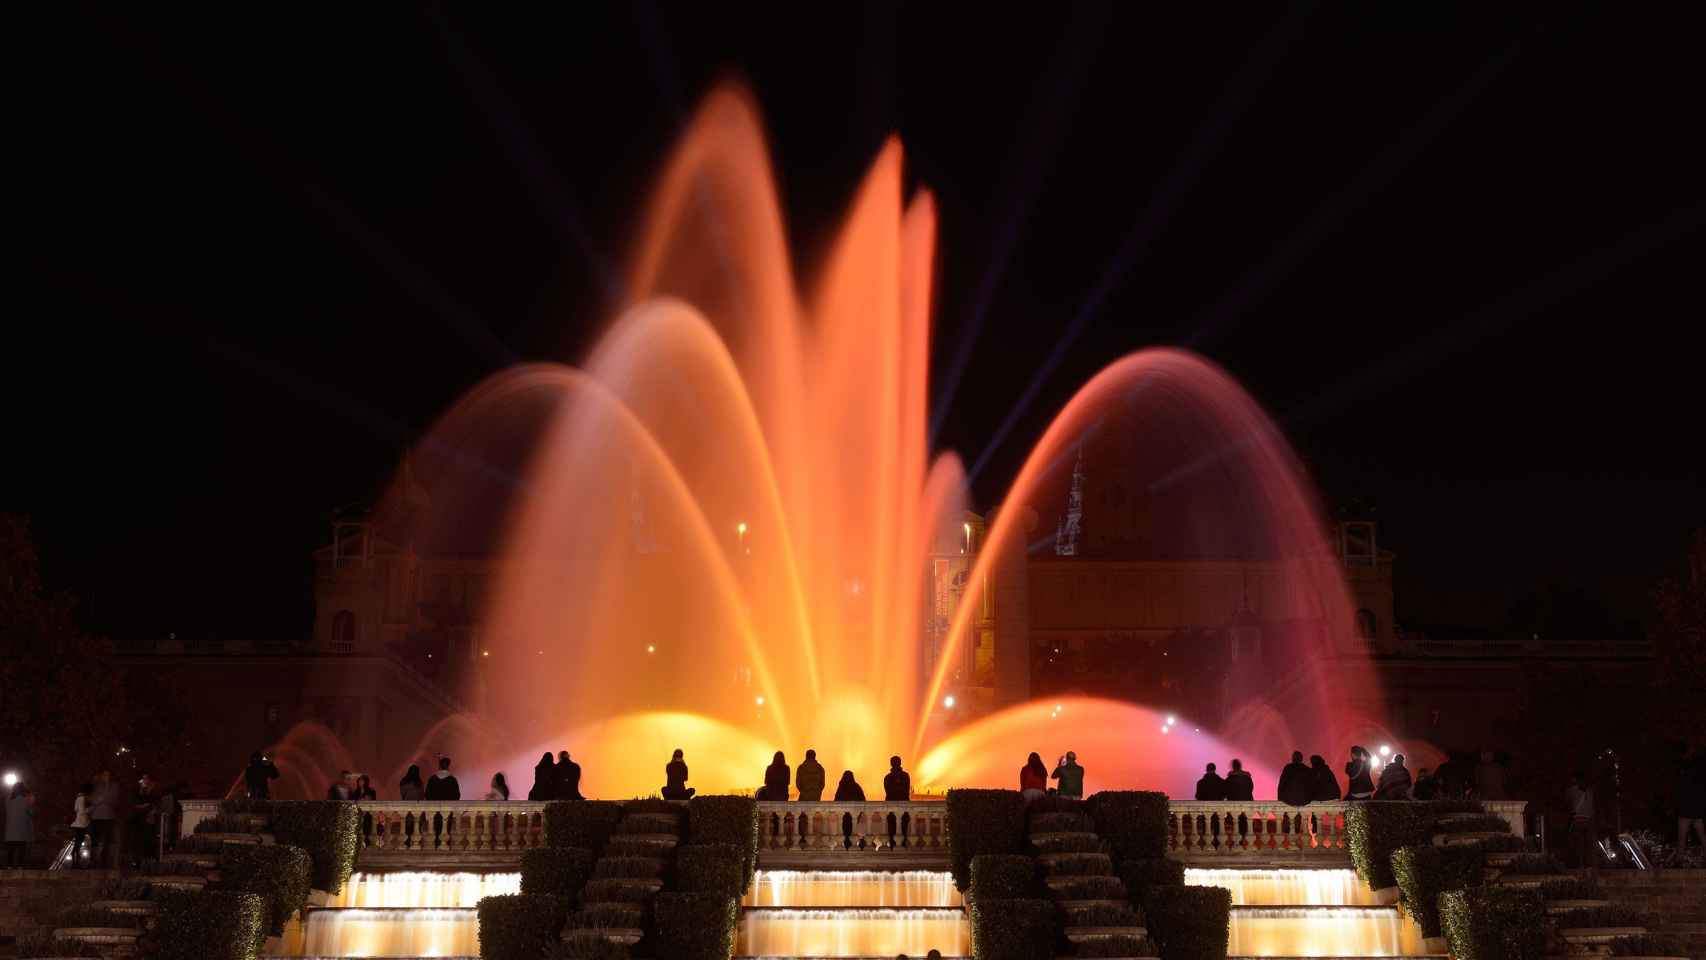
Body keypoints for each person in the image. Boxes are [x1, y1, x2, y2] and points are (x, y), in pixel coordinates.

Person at [1668, 744, 1705, 866]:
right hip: (1695, 809)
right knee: (1700, 834)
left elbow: (1682, 789)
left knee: (1682, 837)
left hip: (1687, 810)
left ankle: (1679, 860)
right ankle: (1680, 860)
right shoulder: (1697, 767)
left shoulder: (1685, 769)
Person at [1565, 769, 1596, 867]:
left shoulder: (1570, 790)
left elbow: (1568, 804)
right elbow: (1592, 807)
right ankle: (1588, 865)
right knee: (1588, 845)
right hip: (1588, 820)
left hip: (1577, 820)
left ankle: (1579, 865)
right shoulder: (1589, 791)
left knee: (1578, 844)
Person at [89, 771, 117, 868]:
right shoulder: (96, 786)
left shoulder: (114, 786)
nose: (106, 777)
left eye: (107, 775)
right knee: (95, 839)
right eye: (104, 775)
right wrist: (99, 800)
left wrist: (101, 799)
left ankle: (105, 861)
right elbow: (92, 799)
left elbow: (113, 799)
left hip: (108, 816)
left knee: (107, 840)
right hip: (96, 816)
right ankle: (94, 861)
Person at [884, 756, 913, 848]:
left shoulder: (888, 777)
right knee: (902, 830)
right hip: (902, 808)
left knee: (893, 831)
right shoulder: (905, 776)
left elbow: (889, 791)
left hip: (892, 809)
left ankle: (894, 847)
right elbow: (904, 790)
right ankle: (901, 847)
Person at [132, 773, 161, 865]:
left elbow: (155, 803)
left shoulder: (154, 790)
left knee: (149, 840)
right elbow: (136, 802)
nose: (143, 781)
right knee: (140, 841)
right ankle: (139, 861)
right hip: (140, 819)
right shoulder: (140, 790)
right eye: (142, 779)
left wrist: (151, 809)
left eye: (145, 779)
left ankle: (150, 860)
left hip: (149, 819)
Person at [5, 783, 35, 867]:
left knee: (11, 849)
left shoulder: (8, 800)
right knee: (21, 849)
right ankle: (19, 866)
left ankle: (9, 866)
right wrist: (31, 800)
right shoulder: (26, 800)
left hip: (10, 829)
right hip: (22, 829)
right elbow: (31, 813)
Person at [834, 770, 865, 850]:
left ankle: (849, 846)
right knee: (850, 831)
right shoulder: (856, 786)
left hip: (846, 815)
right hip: (852, 814)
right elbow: (862, 799)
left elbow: (836, 799)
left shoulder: (842, 787)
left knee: (847, 831)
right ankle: (852, 845)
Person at [70, 783, 92, 868]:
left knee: (77, 842)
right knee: (79, 842)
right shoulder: (83, 798)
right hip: (82, 823)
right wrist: (91, 809)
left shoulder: (78, 798)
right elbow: (83, 811)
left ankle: (75, 861)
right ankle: (76, 861)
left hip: (78, 822)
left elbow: (76, 809)